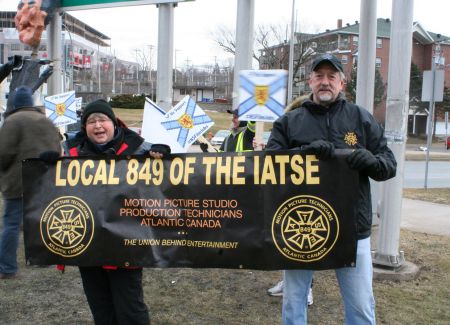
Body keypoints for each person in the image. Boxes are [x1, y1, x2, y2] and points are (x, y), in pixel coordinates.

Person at [266, 53, 397, 324]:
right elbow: (269, 166)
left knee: (360, 305)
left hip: (352, 228)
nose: (325, 82)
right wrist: (302, 153)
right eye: (319, 76)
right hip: (300, 225)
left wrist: (371, 161)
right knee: (294, 302)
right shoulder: (290, 121)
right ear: (310, 81)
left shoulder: (360, 118)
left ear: (342, 83)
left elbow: (389, 164)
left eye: (332, 76)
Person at [55, 99, 170, 325]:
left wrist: (163, 155)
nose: (98, 126)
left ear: (114, 123)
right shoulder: (70, 152)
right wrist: (47, 164)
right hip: (87, 244)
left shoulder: (137, 147)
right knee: (101, 309)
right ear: (84, 127)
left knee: (130, 309)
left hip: (126, 244)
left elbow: (167, 179)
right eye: (91, 121)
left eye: (102, 120)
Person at [0, 86, 61, 279]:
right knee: (41, 222)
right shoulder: (47, 121)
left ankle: (7, 268)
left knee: (11, 224)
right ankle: (42, 259)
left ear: (15, 104)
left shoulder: (13, 120)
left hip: (18, 182)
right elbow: (57, 150)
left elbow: (3, 153)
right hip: (44, 181)